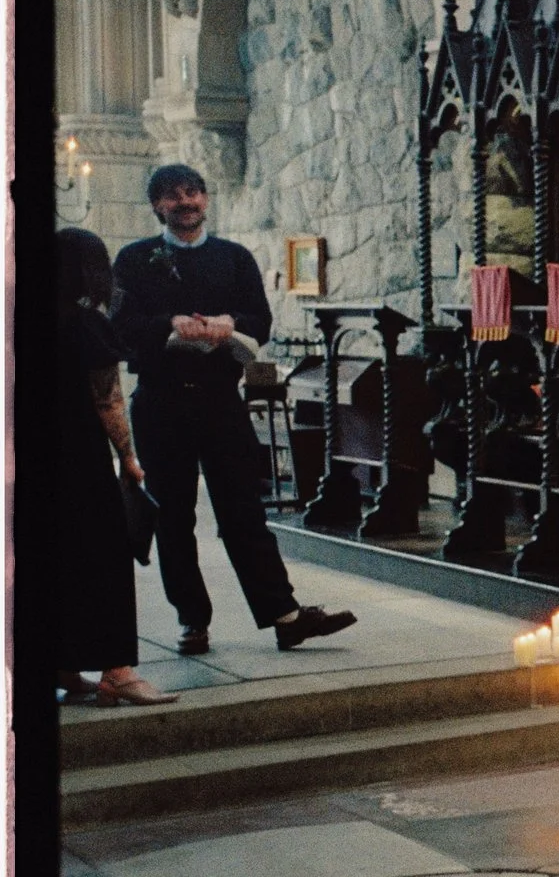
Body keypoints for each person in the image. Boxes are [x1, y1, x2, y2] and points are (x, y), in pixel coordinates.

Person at [110, 163, 353, 655]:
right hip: (160, 402)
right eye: (173, 195)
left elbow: (260, 321)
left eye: (193, 192)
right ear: (157, 205)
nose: (186, 201)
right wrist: (170, 324)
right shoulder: (134, 259)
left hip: (221, 401)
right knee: (172, 516)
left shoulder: (234, 257)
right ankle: (191, 620)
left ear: (205, 199)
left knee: (244, 509)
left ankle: (284, 616)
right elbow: (122, 326)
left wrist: (229, 322)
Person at [57, 228, 176, 706]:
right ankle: (117, 671)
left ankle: (62, 665)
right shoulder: (86, 323)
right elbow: (107, 399)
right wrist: (128, 458)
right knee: (104, 557)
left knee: (54, 558)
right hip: (77, 457)